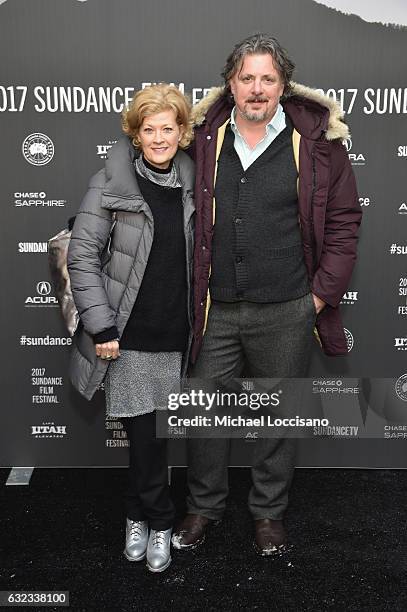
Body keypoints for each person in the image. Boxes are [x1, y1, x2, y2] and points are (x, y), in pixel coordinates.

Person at [172, 33, 361, 555]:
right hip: (215, 308)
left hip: (287, 307)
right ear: (230, 83)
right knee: (203, 412)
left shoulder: (320, 145)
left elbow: (344, 222)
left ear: (284, 85)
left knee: (277, 414)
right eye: (246, 78)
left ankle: (268, 513)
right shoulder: (202, 138)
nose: (256, 89)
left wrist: (318, 298)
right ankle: (204, 506)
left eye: (267, 79)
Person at [67, 84, 195, 572]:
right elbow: (81, 257)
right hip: (128, 338)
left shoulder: (192, 181)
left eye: (168, 128)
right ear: (135, 134)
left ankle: (137, 512)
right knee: (143, 436)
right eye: (149, 130)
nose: (159, 138)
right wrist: (101, 327)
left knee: (157, 439)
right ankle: (157, 520)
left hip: (178, 336)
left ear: (182, 132)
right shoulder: (109, 181)